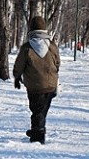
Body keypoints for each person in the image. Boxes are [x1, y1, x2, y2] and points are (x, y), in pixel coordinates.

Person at [13, 16, 60, 144]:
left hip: (34, 86)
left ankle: (37, 135)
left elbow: (19, 65)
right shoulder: (52, 46)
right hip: (50, 84)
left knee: (37, 110)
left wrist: (17, 77)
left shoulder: (27, 47)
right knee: (42, 110)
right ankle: (37, 130)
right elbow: (57, 63)